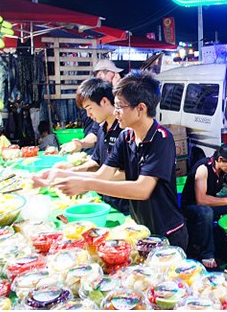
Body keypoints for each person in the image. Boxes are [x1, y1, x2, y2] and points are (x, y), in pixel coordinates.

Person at [35, 71, 188, 249]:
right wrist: (59, 175)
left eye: (120, 107)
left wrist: (86, 184)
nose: (116, 113)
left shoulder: (161, 139)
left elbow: (142, 189)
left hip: (168, 232)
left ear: (141, 108)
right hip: (142, 228)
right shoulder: (126, 137)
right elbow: (102, 175)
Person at [50, 78, 130, 215]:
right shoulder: (101, 126)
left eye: (89, 108)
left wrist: (87, 182)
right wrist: (74, 170)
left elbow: (128, 173)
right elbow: (97, 162)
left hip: (124, 206)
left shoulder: (125, 129)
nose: (88, 114)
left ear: (105, 101)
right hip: (106, 201)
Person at [60, 59, 123, 155]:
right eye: (113, 74)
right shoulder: (98, 112)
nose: (116, 77)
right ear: (101, 74)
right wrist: (81, 143)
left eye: (89, 109)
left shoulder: (124, 123)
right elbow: (94, 133)